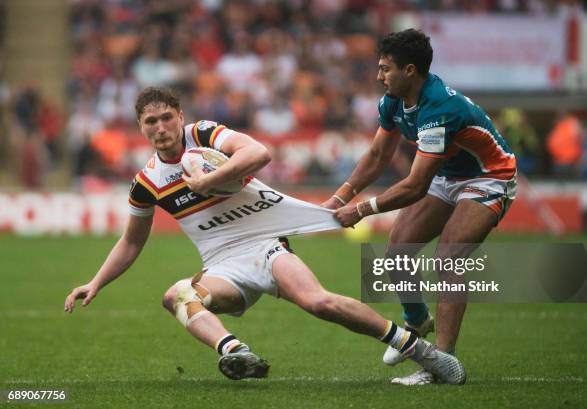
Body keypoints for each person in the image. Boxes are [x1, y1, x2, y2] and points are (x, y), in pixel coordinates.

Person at [64, 86, 465, 384]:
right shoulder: (147, 181)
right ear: (141, 128)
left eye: (167, 117)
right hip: (222, 267)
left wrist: (209, 180)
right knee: (177, 295)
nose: (161, 127)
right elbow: (132, 241)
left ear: (180, 116)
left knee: (319, 302)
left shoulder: (203, 136)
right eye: (151, 122)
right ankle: (236, 353)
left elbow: (258, 153)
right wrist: (95, 282)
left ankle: (422, 352)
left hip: (267, 247)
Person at [323, 29, 517, 386]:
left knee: (449, 256)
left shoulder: (439, 106)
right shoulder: (394, 100)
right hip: (448, 174)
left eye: (385, 69)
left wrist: (361, 210)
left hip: (489, 176)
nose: (379, 76)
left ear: (409, 70)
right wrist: (340, 196)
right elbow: (379, 153)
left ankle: (442, 363)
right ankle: (416, 321)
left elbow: (414, 186)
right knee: (398, 251)